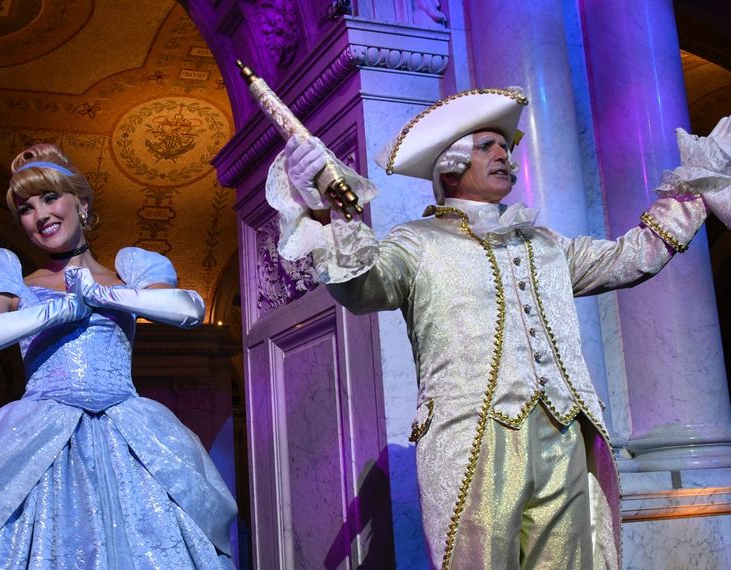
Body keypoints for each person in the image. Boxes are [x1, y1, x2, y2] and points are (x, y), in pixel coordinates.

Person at [267, 88, 731, 569]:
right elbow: (362, 287)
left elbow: (631, 258)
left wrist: (696, 189)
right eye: (488, 145)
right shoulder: (416, 242)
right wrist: (331, 210)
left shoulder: (547, 244)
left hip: (564, 433)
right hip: (473, 442)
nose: (504, 154)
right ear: (451, 163)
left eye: (506, 147)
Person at [0, 144, 237, 569]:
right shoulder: (11, 278)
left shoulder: (131, 270)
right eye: (26, 209)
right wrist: (53, 310)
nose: (40, 215)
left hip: (128, 430)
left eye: (50, 197)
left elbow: (189, 310)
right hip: (39, 435)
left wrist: (106, 295)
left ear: (82, 204)